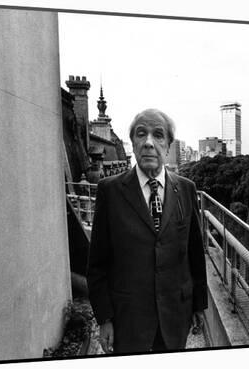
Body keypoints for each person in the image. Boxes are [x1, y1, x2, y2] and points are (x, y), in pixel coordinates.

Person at [87, 108, 208, 354]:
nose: (149, 143)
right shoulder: (110, 191)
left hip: (175, 315)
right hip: (128, 320)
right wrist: (104, 318)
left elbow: (196, 255)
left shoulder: (186, 189)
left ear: (168, 145)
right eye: (141, 134)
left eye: (158, 135)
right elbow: (97, 264)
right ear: (132, 143)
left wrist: (198, 306)